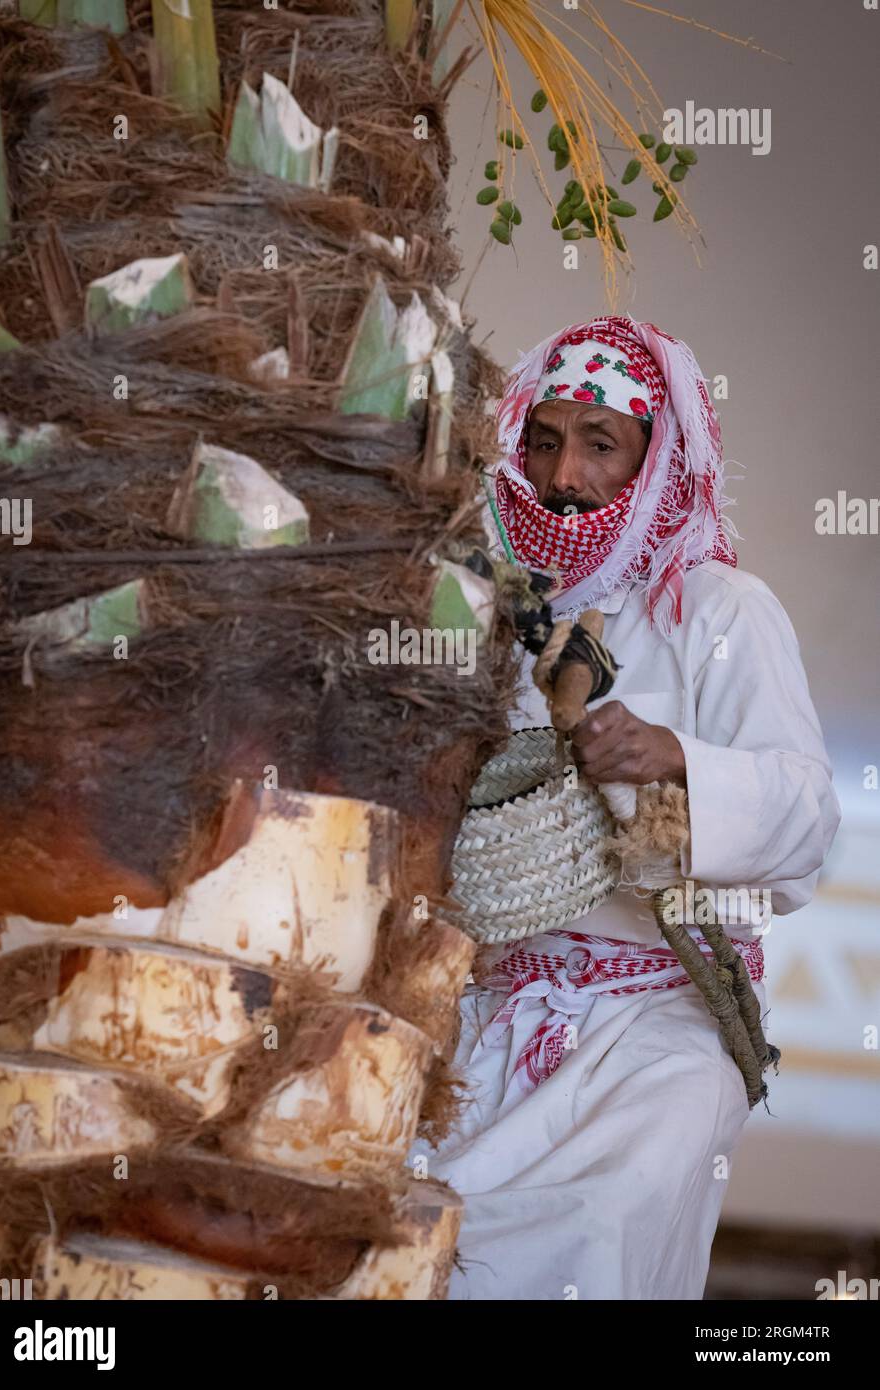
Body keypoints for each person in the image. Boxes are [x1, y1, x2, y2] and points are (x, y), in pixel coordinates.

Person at [416, 315, 841, 1301]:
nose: (564, 475)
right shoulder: (483, 609)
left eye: (599, 444)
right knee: (406, 1216)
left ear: (654, 463)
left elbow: (807, 822)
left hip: (665, 1018)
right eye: (544, 439)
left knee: (600, 1220)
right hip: (485, 1006)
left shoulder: (722, 609)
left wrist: (678, 761)